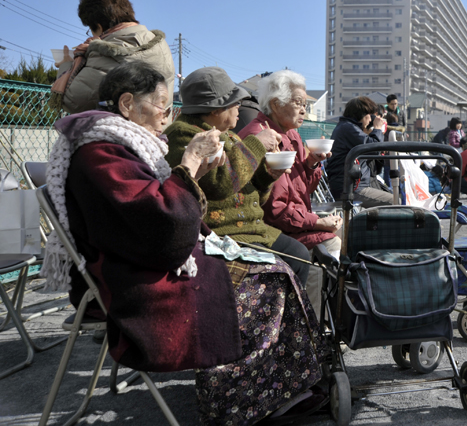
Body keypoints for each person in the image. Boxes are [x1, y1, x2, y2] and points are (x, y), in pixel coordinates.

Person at [40, 62, 327, 425]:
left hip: (153, 260)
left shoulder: (119, 145)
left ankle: (279, 386)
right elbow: (165, 224)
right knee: (271, 280)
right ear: (127, 104)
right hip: (136, 282)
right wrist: (190, 164)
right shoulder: (103, 153)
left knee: (280, 269)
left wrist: (201, 173)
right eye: (160, 103)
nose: (166, 112)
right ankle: (243, 401)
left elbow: (168, 214)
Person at [164, 67, 313, 285]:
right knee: (285, 267)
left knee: (299, 254)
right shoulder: (184, 135)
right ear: (215, 108)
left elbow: (254, 196)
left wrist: (267, 176)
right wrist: (257, 143)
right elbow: (220, 186)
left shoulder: (228, 136)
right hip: (222, 235)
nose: (239, 108)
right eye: (235, 102)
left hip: (253, 231)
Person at [238, 70, 342, 318]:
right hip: (266, 228)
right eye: (299, 103)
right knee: (333, 240)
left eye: (306, 104)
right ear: (276, 103)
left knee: (345, 228)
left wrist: (312, 164)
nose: (304, 110)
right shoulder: (259, 137)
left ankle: (332, 314)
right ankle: (315, 328)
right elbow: (274, 210)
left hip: (289, 222)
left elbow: (301, 191)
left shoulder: (292, 135)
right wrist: (318, 221)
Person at [51, 0, 176, 114]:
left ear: (99, 26)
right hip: (157, 131)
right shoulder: (160, 44)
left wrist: (66, 65)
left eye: (91, 30)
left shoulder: (105, 52)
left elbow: (73, 102)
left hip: (120, 133)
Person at [326, 96, 392, 207]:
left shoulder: (346, 127)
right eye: (369, 116)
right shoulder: (348, 128)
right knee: (397, 202)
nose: (370, 119)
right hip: (351, 189)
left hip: (353, 186)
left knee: (393, 195)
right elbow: (374, 149)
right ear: (361, 114)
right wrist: (377, 129)